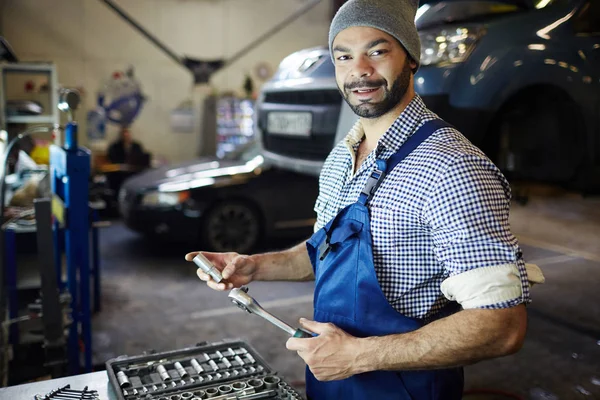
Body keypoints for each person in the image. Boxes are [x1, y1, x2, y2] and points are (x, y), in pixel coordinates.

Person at [185, 0, 544, 398]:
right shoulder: (342, 157)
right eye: (344, 55)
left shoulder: (452, 168)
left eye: (376, 51)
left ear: (410, 58)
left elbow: (503, 325)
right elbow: (327, 253)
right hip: (332, 386)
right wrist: (252, 267)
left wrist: (358, 356)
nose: (359, 70)